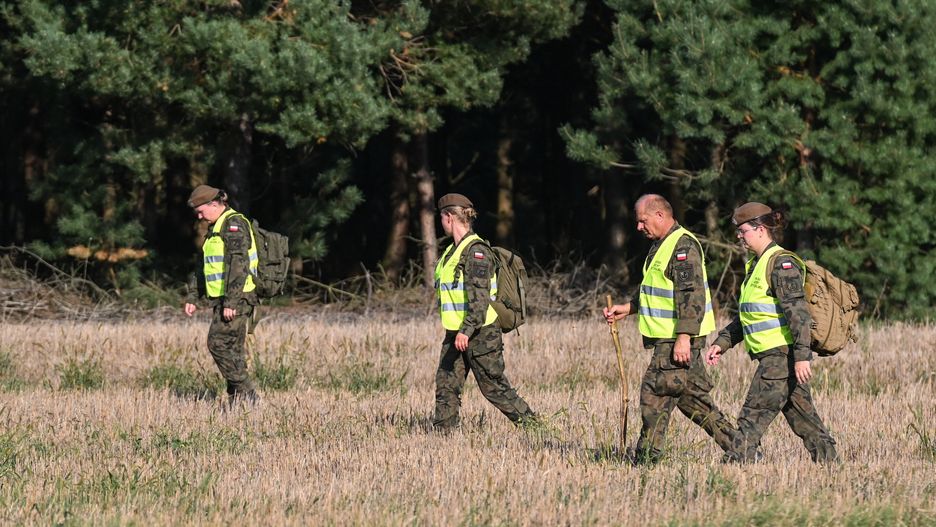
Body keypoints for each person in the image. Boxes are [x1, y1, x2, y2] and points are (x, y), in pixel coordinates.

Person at [603, 194, 739, 464]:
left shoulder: (682, 247)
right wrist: (628, 308)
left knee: (654, 395)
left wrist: (683, 338)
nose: (639, 227)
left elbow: (691, 296)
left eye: (643, 221)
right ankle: (743, 450)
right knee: (694, 403)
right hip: (672, 338)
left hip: (675, 339)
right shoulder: (661, 245)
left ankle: (644, 462)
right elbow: (658, 290)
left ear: (660, 216)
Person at [705, 202, 838, 463]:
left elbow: (798, 314)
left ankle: (735, 466)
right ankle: (832, 466)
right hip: (776, 356)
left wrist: (802, 357)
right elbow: (751, 316)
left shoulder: (782, 264)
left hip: (780, 356)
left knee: (752, 415)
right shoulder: (756, 265)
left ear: (761, 228)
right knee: (805, 420)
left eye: (743, 230)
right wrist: (723, 342)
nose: (739, 236)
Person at [432, 193, 536, 431]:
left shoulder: (476, 252)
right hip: (456, 332)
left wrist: (466, 330)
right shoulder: (451, 252)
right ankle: (442, 436)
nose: (441, 222)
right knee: (446, 385)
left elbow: (479, 300)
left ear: (448, 217)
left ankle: (535, 427)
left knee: (494, 388)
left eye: (441, 217)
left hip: (479, 332)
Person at [184, 184, 259, 405]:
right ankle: (239, 401)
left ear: (214, 204)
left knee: (217, 343)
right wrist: (193, 297)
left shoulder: (234, 224)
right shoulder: (215, 227)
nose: (199, 216)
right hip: (223, 299)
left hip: (238, 298)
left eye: (201, 210)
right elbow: (204, 265)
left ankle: (248, 393)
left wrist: (231, 302)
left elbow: (239, 264)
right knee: (233, 349)